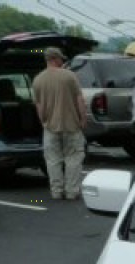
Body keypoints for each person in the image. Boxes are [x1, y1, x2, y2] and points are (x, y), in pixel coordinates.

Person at [31, 47, 87, 200]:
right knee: (74, 158)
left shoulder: (38, 79)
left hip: (50, 127)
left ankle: (56, 191)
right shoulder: (70, 76)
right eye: (61, 59)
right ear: (55, 58)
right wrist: (83, 119)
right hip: (72, 125)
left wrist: (44, 122)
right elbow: (79, 100)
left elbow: (39, 106)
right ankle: (71, 191)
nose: (62, 61)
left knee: (53, 159)